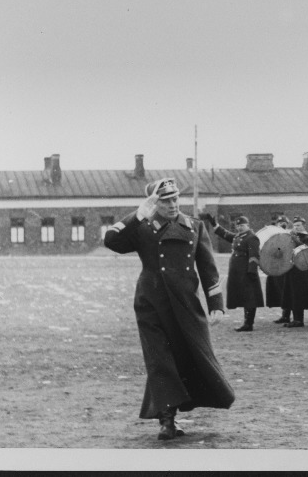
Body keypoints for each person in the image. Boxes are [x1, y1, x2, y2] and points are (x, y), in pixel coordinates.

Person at [104, 177, 234, 440]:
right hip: (151, 303)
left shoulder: (194, 227)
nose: (173, 204)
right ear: (154, 203)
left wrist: (216, 304)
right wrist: (140, 213)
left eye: (175, 199)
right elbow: (111, 240)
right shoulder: (141, 228)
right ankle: (167, 420)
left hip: (186, 304)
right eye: (165, 200)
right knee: (159, 360)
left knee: (191, 356)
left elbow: (208, 268)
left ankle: (184, 407)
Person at [206, 214, 263, 332]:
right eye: (238, 226)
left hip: (247, 272)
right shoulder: (239, 236)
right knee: (244, 296)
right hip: (238, 272)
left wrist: (252, 271)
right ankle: (247, 322)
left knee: (250, 297)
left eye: (242, 225)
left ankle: (248, 323)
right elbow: (225, 234)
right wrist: (215, 225)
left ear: (247, 225)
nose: (239, 228)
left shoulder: (251, 237)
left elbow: (254, 255)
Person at [281, 216, 308, 328]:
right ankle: (293, 317)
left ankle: (298, 320)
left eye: (298, 225)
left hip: (300, 270)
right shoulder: (292, 235)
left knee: (298, 294)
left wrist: (296, 240)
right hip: (291, 268)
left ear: (303, 226)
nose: (296, 227)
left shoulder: (307, 237)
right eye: (295, 225)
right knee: (291, 293)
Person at [268, 215, 292, 324]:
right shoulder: (273, 236)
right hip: (277, 267)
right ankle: (284, 314)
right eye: (280, 223)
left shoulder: (290, 235)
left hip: (287, 268)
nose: (282, 225)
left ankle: (287, 315)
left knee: (286, 291)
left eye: (284, 223)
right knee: (280, 291)